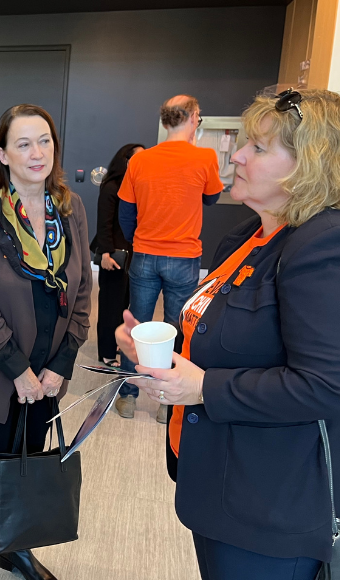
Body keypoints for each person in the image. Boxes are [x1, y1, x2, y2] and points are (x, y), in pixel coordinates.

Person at [120, 89, 340, 580]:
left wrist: (202, 387)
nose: (235, 155)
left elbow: (328, 385)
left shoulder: (333, 246)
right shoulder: (246, 236)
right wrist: (162, 345)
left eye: (258, 148)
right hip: (225, 487)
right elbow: (236, 335)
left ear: (312, 164)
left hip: (277, 508)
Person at [0, 104, 91, 580]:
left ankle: (14, 548)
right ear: (3, 155)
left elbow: (83, 287)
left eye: (44, 140)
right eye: (23, 143)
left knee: (27, 461)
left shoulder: (70, 208)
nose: (37, 152)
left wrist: (61, 364)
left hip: (48, 371)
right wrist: (17, 370)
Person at [116, 94, 224, 423]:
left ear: (165, 122)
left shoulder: (140, 160)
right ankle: (168, 403)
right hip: (184, 257)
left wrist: (138, 240)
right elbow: (213, 197)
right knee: (178, 330)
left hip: (145, 254)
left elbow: (125, 213)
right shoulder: (205, 157)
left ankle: (127, 397)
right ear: (193, 118)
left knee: (136, 325)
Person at [89, 143, 144, 374]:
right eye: (137, 158)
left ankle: (118, 345)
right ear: (125, 160)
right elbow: (104, 222)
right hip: (114, 255)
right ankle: (107, 352)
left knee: (124, 305)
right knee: (111, 306)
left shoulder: (136, 186)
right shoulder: (111, 186)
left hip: (133, 256)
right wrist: (104, 253)